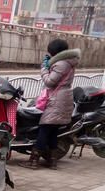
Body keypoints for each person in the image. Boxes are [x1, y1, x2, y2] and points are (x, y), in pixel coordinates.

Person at [19, 39, 80, 170]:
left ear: (55, 52)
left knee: (44, 129)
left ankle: (33, 161)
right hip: (62, 98)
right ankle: (52, 161)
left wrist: (44, 68)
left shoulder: (61, 64)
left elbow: (49, 82)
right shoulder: (68, 61)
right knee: (52, 131)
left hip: (57, 99)